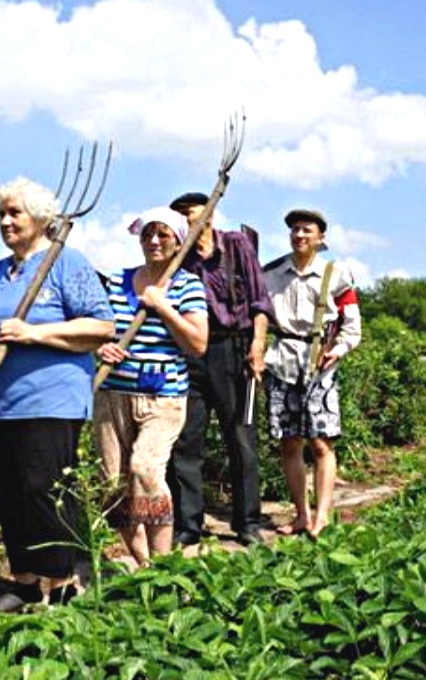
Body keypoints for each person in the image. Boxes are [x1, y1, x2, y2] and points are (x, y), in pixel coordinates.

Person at [0, 177, 114, 612]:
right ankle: (25, 584)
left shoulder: (65, 263)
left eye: (15, 213)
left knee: (44, 490)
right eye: (2, 214)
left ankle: (65, 584)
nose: (6, 221)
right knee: (10, 494)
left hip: (50, 400)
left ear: (41, 218)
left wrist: (34, 333)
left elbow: (100, 327)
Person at [94, 207, 208, 566]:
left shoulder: (188, 285)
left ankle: (165, 564)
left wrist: (163, 307)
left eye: (163, 234)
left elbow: (198, 344)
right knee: (113, 484)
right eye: (148, 234)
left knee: (145, 469)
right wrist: (100, 344)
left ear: (178, 241)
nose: (154, 241)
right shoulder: (116, 281)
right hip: (112, 394)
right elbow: (95, 326)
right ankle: (144, 564)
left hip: (164, 397)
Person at [166, 191, 273, 547]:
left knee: (241, 438)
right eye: (180, 216)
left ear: (210, 214)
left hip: (234, 349)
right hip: (190, 353)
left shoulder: (237, 244)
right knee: (186, 441)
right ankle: (188, 525)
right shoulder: (177, 258)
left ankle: (248, 523)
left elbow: (260, 300)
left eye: (193, 213)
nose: (188, 221)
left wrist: (257, 346)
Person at [262, 208, 362, 539]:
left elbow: (352, 325)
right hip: (281, 361)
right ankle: (301, 514)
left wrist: (338, 351)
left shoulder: (337, 274)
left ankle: (322, 515)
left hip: (321, 366)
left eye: (307, 230)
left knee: (321, 443)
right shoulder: (272, 275)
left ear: (321, 238)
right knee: (289, 443)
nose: (299, 235)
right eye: (295, 230)